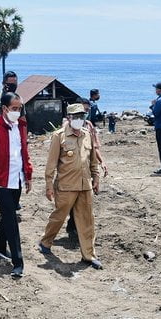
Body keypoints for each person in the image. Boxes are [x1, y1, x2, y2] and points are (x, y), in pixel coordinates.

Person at [38, 103, 103, 270]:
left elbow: (92, 161)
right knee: (59, 216)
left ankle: (89, 255)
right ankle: (46, 241)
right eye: (76, 117)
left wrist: (96, 178)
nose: (79, 120)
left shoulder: (87, 134)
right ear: (69, 118)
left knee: (87, 220)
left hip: (85, 185)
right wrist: (48, 185)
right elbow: (51, 164)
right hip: (66, 186)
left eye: (82, 117)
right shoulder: (59, 136)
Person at [0, 92, 33, 278]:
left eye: (20, 109)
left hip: (17, 179)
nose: (17, 112)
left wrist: (29, 175)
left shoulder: (21, 126)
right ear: (4, 109)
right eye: (14, 109)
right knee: (11, 220)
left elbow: (24, 151)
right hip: (2, 182)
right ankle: (18, 262)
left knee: (8, 216)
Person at [64, 98, 109, 239]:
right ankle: (73, 226)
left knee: (84, 201)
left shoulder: (89, 126)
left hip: (86, 169)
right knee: (72, 200)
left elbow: (94, 148)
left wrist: (101, 162)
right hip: (71, 171)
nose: (82, 116)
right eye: (79, 113)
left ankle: (77, 228)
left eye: (85, 113)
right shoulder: (66, 126)